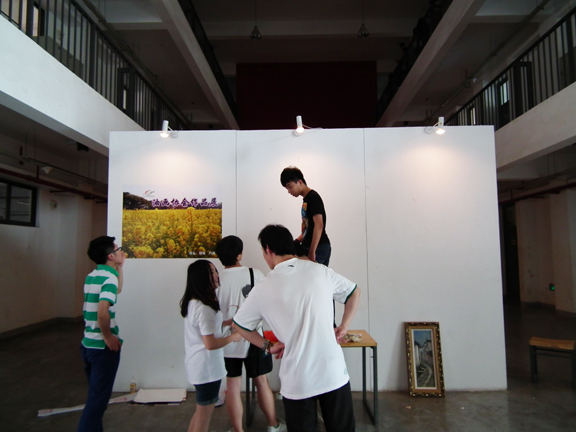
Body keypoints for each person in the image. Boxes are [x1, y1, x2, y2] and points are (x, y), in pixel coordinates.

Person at [232, 225, 361, 432]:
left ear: (268, 249)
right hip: (333, 372)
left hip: (297, 379)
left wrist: (267, 346)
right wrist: (343, 326)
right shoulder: (320, 271)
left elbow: (240, 325)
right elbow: (354, 292)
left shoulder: (263, 287)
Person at [215, 235, 286, 432]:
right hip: (256, 339)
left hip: (227, 340)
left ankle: (238, 430)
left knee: (233, 386)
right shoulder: (255, 274)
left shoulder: (216, 280)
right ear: (239, 254)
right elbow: (270, 303)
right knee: (262, 382)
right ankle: (273, 424)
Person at [180, 260, 242, 432]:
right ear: (201, 278)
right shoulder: (204, 308)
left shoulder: (194, 302)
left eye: (215, 271)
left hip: (199, 367)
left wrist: (227, 322)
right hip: (206, 370)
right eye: (211, 272)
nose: (216, 275)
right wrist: (234, 337)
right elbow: (210, 343)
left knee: (200, 413)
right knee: (203, 419)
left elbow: (206, 328)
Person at [77, 236, 125, 432]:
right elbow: (102, 313)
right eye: (118, 249)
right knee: (97, 402)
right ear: (110, 256)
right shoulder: (108, 278)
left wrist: (119, 266)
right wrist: (108, 337)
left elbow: (118, 289)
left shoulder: (93, 275)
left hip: (88, 345)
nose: (122, 251)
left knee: (96, 397)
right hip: (101, 348)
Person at [280, 166, 331, 266]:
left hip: (319, 247)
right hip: (313, 247)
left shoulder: (313, 198)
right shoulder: (307, 199)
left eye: (290, 186)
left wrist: (312, 252)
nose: (289, 191)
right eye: (287, 188)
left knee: (310, 275)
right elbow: (308, 228)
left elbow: (319, 225)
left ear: (300, 182)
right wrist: (296, 241)